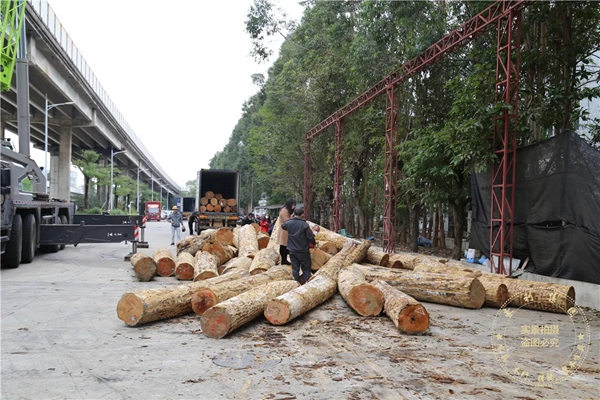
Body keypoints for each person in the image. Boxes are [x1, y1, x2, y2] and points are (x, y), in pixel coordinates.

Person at [281, 206, 316, 284]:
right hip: (303, 250)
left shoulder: (289, 223)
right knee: (306, 269)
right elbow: (310, 236)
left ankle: (296, 284)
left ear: (294, 213)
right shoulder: (304, 225)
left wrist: (291, 218)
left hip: (292, 250)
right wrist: (314, 243)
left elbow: (283, 226)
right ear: (302, 214)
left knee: (295, 269)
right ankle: (307, 284)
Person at [276, 198, 296, 265]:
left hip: (286, 230)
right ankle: (283, 260)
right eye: (293, 205)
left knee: (285, 246)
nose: (294, 206)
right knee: (283, 246)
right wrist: (292, 217)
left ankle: (285, 260)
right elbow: (287, 221)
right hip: (283, 230)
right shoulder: (284, 211)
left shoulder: (287, 210)